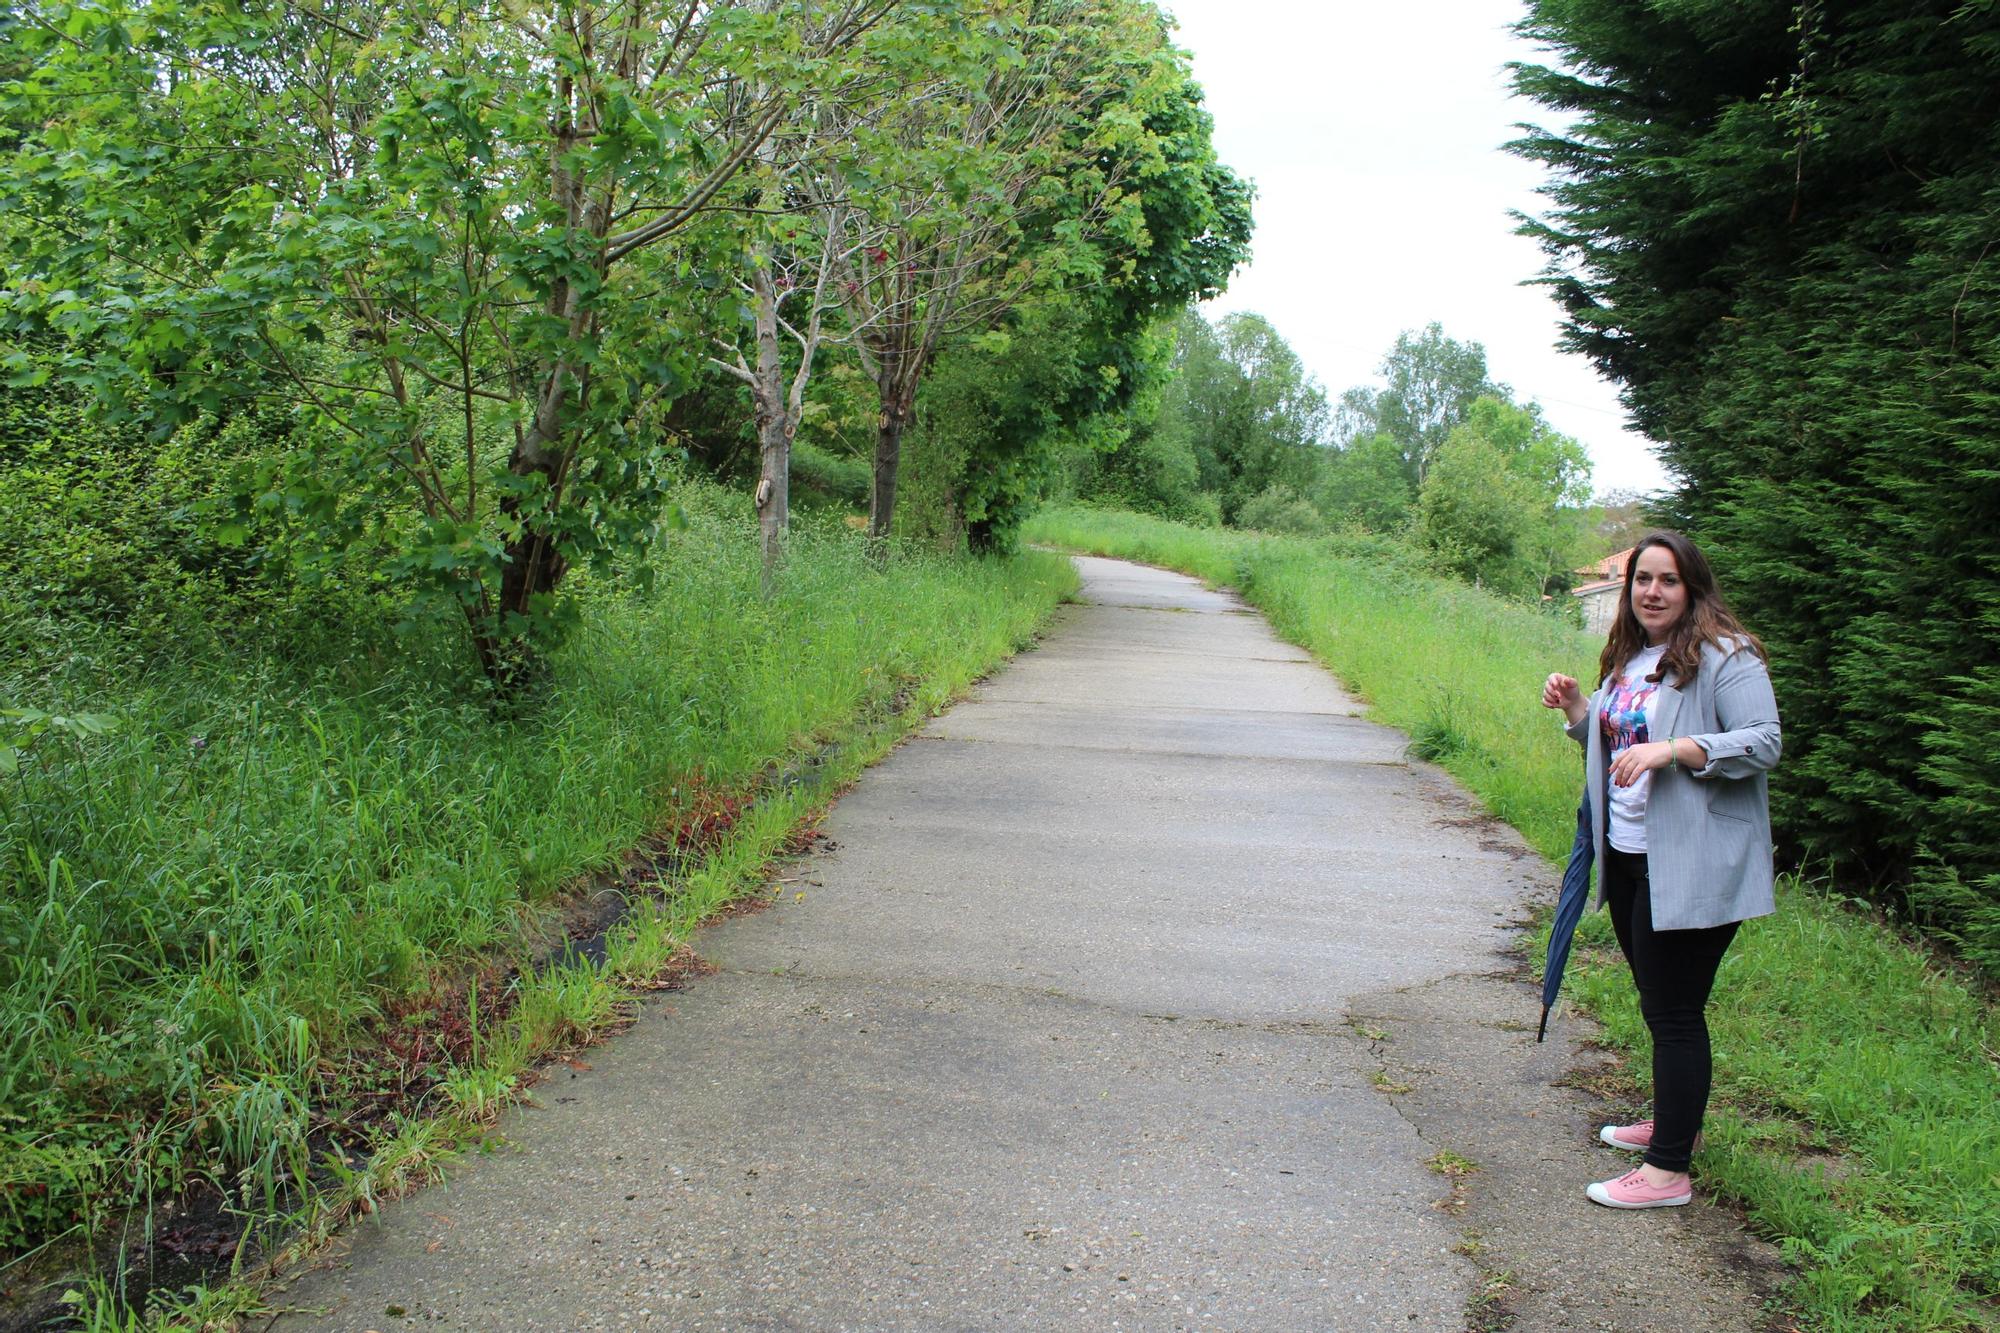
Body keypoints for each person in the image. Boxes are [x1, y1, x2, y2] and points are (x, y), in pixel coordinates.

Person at [1540, 531, 1782, 1209]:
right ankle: (1679, 1122)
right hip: (1630, 854)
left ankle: (1668, 1168)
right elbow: (1616, 744)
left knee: (1674, 1011)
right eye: (1642, 579)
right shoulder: (1631, 654)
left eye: (1667, 580)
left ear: (1692, 586)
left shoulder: (1725, 655)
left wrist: (1674, 749)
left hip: (1695, 861)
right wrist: (1578, 711)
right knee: (1661, 1002)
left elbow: (1764, 742)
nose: (1651, 591)